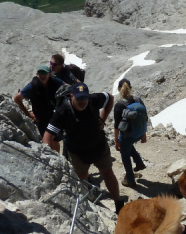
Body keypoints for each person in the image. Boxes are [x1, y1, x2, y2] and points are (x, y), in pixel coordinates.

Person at [43, 83, 127, 212]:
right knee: (82, 178)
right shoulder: (63, 110)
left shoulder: (93, 99)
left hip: (98, 145)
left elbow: (110, 98)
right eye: (79, 98)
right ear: (72, 96)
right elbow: (48, 134)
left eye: (84, 98)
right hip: (77, 152)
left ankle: (118, 203)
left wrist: (103, 119)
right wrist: (47, 156)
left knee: (108, 174)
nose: (82, 101)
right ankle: (90, 206)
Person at [14, 64, 64, 143]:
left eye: (44, 73)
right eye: (40, 73)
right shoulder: (32, 86)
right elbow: (17, 98)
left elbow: (66, 88)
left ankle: (56, 155)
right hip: (41, 120)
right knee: (46, 142)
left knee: (55, 140)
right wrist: (27, 114)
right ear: (37, 74)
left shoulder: (55, 82)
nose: (42, 75)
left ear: (49, 74)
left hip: (55, 117)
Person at [113, 78, 147, 188]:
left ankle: (130, 179)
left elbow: (117, 126)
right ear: (130, 88)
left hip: (128, 135)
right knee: (128, 145)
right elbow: (145, 117)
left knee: (125, 155)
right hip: (138, 133)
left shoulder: (119, 105)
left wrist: (117, 140)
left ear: (119, 89)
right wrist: (144, 134)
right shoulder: (138, 100)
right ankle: (139, 162)